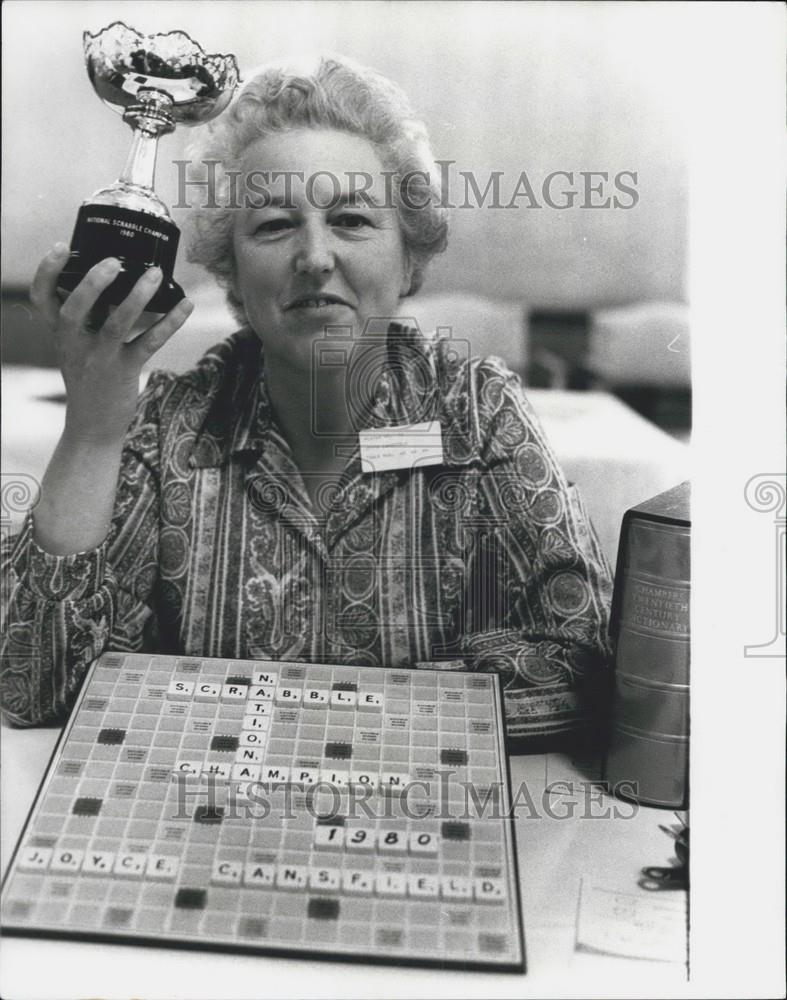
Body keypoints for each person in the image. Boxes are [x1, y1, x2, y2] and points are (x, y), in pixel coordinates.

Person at [0, 55, 612, 747]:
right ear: (229, 270)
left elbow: (577, 664)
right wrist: (92, 427)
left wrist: (287, 715)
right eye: (272, 226)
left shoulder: (475, 410)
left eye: (350, 219)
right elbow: (34, 686)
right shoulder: (172, 425)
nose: (315, 257)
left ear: (409, 258)